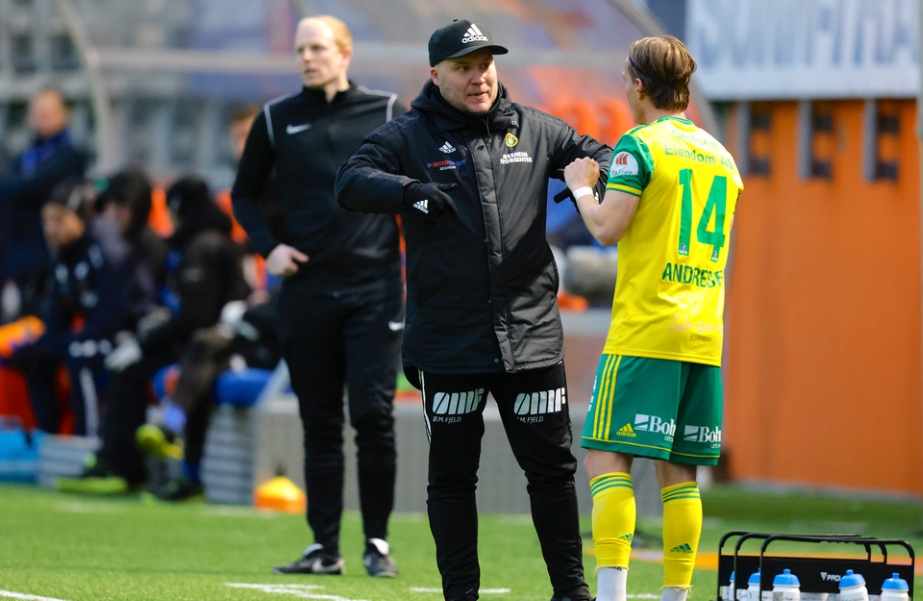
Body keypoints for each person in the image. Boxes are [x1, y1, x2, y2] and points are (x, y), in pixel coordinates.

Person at [335, 19, 611, 601]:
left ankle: (572, 592)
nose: (479, 76)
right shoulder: (408, 135)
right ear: (436, 75)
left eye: (486, 64)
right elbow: (350, 181)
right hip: (448, 344)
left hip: (532, 339)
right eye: (464, 67)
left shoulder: (537, 129)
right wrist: (408, 191)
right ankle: (461, 595)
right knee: (454, 479)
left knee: (555, 473)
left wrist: (607, 172)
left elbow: (600, 155)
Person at [560, 35, 743, 601]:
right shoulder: (722, 156)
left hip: (646, 330)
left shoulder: (637, 146)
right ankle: (675, 596)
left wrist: (582, 189)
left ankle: (612, 594)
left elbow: (607, 229)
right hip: (703, 335)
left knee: (604, 455)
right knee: (680, 473)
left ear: (638, 85)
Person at [231, 15, 406, 578]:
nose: (307, 57)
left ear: (345, 52)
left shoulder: (386, 111)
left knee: (374, 415)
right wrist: (269, 249)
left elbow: (424, 184)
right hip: (305, 291)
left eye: (318, 47)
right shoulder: (277, 118)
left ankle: (377, 543)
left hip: (375, 289)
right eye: (301, 48)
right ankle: (323, 549)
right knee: (319, 421)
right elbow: (243, 195)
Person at [56, 176, 249, 494]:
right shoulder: (201, 244)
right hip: (203, 344)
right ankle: (134, 461)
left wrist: (145, 340)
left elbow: (196, 317)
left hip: (215, 347)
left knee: (135, 369)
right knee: (133, 367)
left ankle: (128, 464)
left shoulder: (203, 247)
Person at [13, 180, 148, 436]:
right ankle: (48, 439)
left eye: (58, 219)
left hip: (131, 333)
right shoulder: (64, 256)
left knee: (79, 355)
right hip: (96, 332)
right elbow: (56, 322)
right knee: (34, 358)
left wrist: (63, 341)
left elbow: (112, 316)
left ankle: (88, 442)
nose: (50, 229)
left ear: (79, 216)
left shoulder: (107, 249)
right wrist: (40, 347)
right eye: (46, 221)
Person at [0, 89, 88, 317]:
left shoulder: (70, 157)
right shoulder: (23, 158)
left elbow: (26, 188)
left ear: (64, 114)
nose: (41, 117)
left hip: (46, 256)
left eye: (48, 111)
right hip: (14, 255)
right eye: (37, 112)